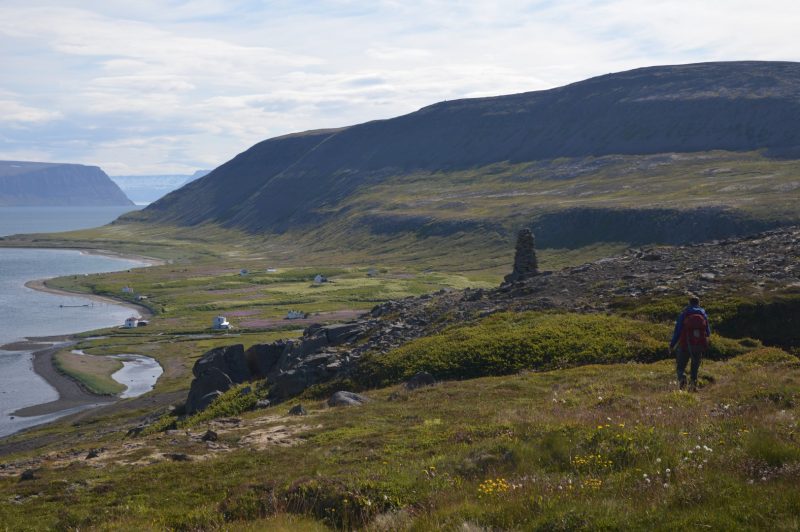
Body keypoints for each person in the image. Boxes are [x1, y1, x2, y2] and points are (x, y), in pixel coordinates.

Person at [669, 296, 711, 391]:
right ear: (698, 303)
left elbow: (678, 331)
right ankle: (693, 387)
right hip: (699, 345)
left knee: (680, 367)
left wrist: (672, 345)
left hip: (685, 344)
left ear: (689, 303)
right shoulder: (703, 314)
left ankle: (682, 378)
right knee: (695, 368)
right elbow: (708, 332)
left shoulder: (684, 313)